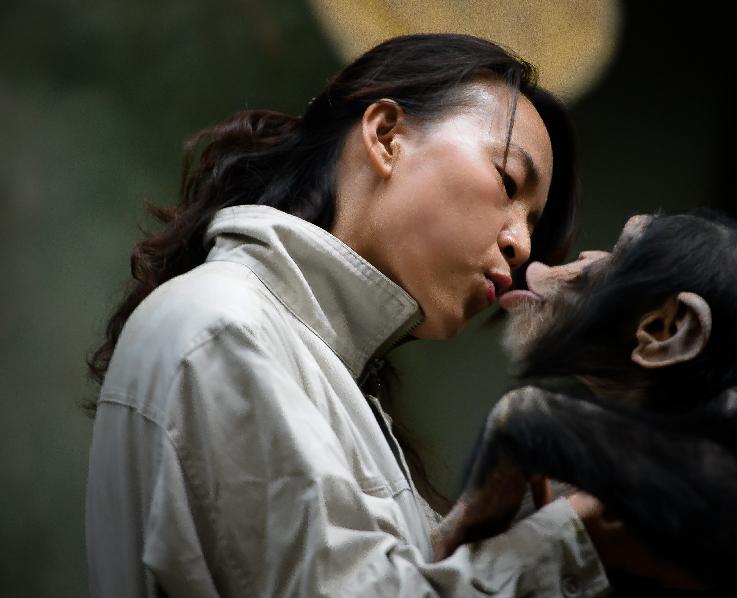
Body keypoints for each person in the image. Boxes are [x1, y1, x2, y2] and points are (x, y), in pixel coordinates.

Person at [84, 33, 611, 597]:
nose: (522, 246)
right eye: (507, 182)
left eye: (531, 222)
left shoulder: (311, 361)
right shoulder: (228, 328)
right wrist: (567, 547)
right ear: (386, 137)